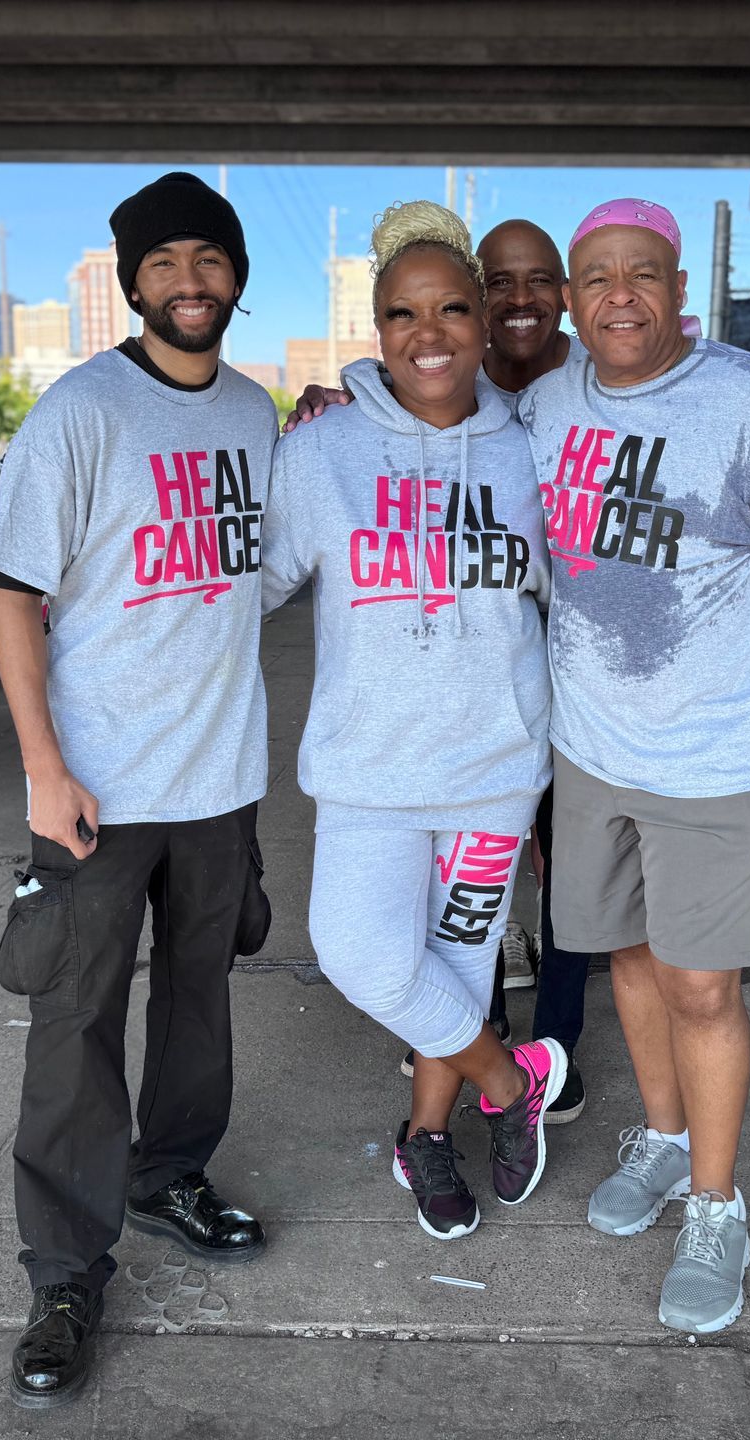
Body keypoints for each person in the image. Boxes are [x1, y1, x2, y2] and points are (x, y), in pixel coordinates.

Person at [516, 198, 750, 1334]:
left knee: (704, 986)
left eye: (642, 275)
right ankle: (665, 1145)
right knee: (627, 957)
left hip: (714, 761)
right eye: (596, 277)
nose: (618, 294)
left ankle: (718, 1205)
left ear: (681, 295)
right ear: (571, 301)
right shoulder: (543, 403)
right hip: (589, 753)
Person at [0, 172, 273, 1410]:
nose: (191, 280)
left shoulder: (260, 415)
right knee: (77, 1020)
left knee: (199, 1001)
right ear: (133, 279)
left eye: (211, 259)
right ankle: (64, 1270)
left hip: (220, 778)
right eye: (167, 262)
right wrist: (45, 767)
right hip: (100, 786)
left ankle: (170, 1178)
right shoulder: (81, 412)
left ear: (234, 280)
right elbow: (12, 596)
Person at [264, 200, 564, 1244]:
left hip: (492, 767)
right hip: (368, 770)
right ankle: (509, 1081)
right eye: (402, 314)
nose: (426, 335)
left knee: (461, 966)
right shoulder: (322, 452)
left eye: (449, 310)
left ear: (484, 322)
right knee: (362, 955)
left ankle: (425, 1138)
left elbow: (589, 590)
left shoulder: (535, 449)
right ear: (377, 329)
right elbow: (250, 582)